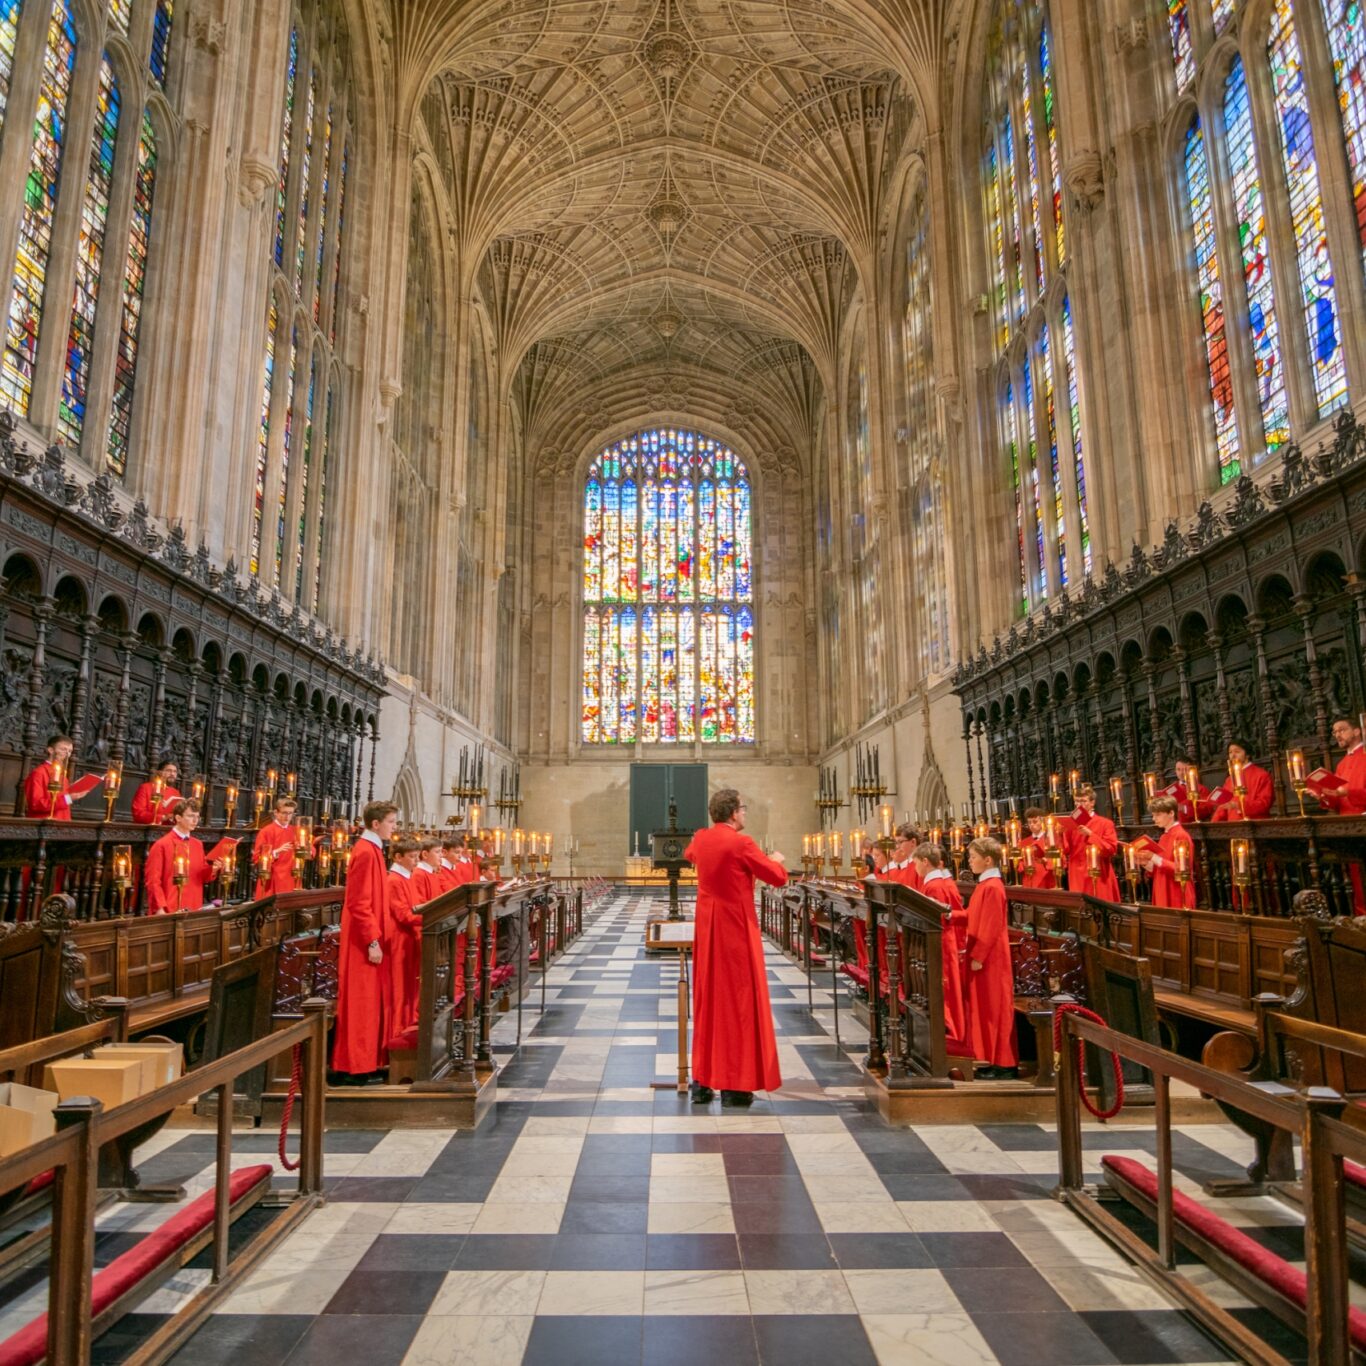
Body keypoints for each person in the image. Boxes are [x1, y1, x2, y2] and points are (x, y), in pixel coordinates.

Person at [685, 788, 787, 1107]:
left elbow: (691, 854)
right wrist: (776, 860)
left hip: (707, 928)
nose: (745, 813)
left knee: (709, 1001)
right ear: (732, 813)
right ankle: (735, 1085)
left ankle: (702, 1081)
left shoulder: (701, 837)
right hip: (736, 930)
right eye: (742, 808)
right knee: (739, 1002)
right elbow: (778, 878)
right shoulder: (741, 842)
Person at [332, 800, 398, 1083]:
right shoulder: (365, 852)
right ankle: (353, 1067)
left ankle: (366, 1062)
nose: (394, 828)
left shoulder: (373, 850)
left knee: (370, 1004)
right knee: (361, 1004)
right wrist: (372, 940)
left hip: (371, 938)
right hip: (362, 942)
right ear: (375, 823)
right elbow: (359, 902)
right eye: (392, 822)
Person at [965, 837, 1017, 1079]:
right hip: (982, 955)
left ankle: (1003, 1062)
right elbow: (974, 918)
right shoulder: (984, 885)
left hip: (991, 959)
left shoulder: (993, 887)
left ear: (988, 860)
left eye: (973, 857)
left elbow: (991, 925)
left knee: (994, 1008)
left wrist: (979, 954)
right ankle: (987, 1057)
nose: (969, 862)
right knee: (984, 1008)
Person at [911, 843, 968, 1046]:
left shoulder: (935, 886)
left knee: (946, 992)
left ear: (925, 861)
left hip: (942, 945)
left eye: (916, 862)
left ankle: (951, 1035)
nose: (914, 867)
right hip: (944, 942)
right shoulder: (940, 882)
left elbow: (941, 917)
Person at [1313, 718, 1366, 914]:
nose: (1337, 735)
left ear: (1357, 731)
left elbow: (1350, 792)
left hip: (1361, 823)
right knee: (1356, 880)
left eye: (1342, 730)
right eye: (1335, 732)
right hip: (1347, 828)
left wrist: (1347, 791)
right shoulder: (1342, 764)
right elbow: (1335, 801)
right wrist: (1322, 794)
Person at [143, 799, 221, 913]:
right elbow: (153, 881)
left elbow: (200, 876)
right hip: (169, 907)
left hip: (193, 905)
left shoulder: (197, 844)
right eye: (190, 816)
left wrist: (213, 869)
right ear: (178, 818)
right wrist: (159, 909)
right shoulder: (161, 845)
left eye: (197, 816)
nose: (195, 820)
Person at [386, 838, 424, 1033]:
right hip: (400, 939)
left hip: (411, 937)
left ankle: (410, 1021)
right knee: (401, 986)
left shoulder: (408, 877)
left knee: (412, 983)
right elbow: (403, 914)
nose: (416, 861)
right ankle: (399, 1028)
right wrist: (429, 916)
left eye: (417, 857)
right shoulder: (393, 880)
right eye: (412, 857)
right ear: (398, 857)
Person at [1061, 783, 1121, 900]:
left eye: (1083, 801)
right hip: (1077, 873)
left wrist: (1090, 835)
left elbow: (1111, 849)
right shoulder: (1071, 823)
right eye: (1077, 801)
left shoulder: (1105, 823)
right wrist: (1059, 833)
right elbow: (1065, 849)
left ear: (1092, 803)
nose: (1079, 805)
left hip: (1099, 871)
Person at [1137, 796, 1196, 910]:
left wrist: (1153, 856)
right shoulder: (1164, 836)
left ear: (1171, 813)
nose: (1154, 818)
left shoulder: (1181, 835)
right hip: (1162, 887)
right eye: (1153, 815)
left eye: (1158, 814)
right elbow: (1160, 868)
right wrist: (1145, 863)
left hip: (1176, 890)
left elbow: (1182, 869)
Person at [24, 735, 98, 819]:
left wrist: (76, 791)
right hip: (44, 824)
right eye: (63, 749)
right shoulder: (39, 773)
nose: (67, 754)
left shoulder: (61, 775)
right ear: (51, 750)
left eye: (70, 751)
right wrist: (68, 798)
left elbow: (62, 802)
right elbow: (36, 804)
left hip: (62, 824)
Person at [1210, 741, 1274, 821]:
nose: (1233, 755)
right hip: (1233, 825)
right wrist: (1214, 823)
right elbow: (1223, 806)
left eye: (1237, 752)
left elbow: (1265, 803)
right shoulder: (1230, 779)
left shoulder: (1261, 775)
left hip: (1255, 824)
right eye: (1230, 752)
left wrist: (1239, 805)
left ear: (1247, 754)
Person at [252, 796, 300, 898]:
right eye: (284, 813)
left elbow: (310, 850)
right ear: (276, 812)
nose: (287, 817)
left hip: (291, 878)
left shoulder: (296, 831)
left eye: (290, 813)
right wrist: (276, 852)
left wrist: (305, 848)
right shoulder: (266, 831)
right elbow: (257, 858)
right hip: (273, 878)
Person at [1160, 755, 1212, 825]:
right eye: (1178, 769)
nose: (1181, 773)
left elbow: (1206, 811)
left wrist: (1184, 808)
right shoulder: (1171, 789)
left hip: (1193, 827)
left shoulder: (1201, 789)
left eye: (1185, 770)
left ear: (1191, 771)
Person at [131, 759, 182, 825]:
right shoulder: (145, 788)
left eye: (175, 772)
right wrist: (162, 817)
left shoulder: (175, 792)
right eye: (168, 770)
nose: (172, 774)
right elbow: (138, 813)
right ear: (159, 772)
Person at [1018, 807, 1057, 889]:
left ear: (1042, 822)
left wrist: (1045, 860)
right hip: (1029, 880)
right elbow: (1020, 862)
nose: (1032, 824)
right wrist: (1022, 864)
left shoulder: (1050, 840)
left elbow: (1056, 860)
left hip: (1045, 879)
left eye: (1035, 822)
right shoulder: (1024, 842)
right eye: (1029, 822)